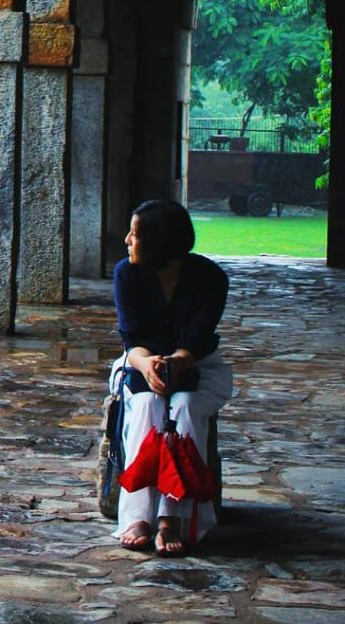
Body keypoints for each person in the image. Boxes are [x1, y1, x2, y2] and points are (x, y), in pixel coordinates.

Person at [110, 199, 233, 556]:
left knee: (185, 407)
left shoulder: (211, 278)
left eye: (135, 234)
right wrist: (147, 365)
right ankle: (138, 517)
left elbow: (198, 337)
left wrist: (178, 363)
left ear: (158, 243)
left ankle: (174, 517)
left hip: (199, 365)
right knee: (146, 406)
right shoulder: (126, 274)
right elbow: (131, 338)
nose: (127, 241)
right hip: (139, 362)